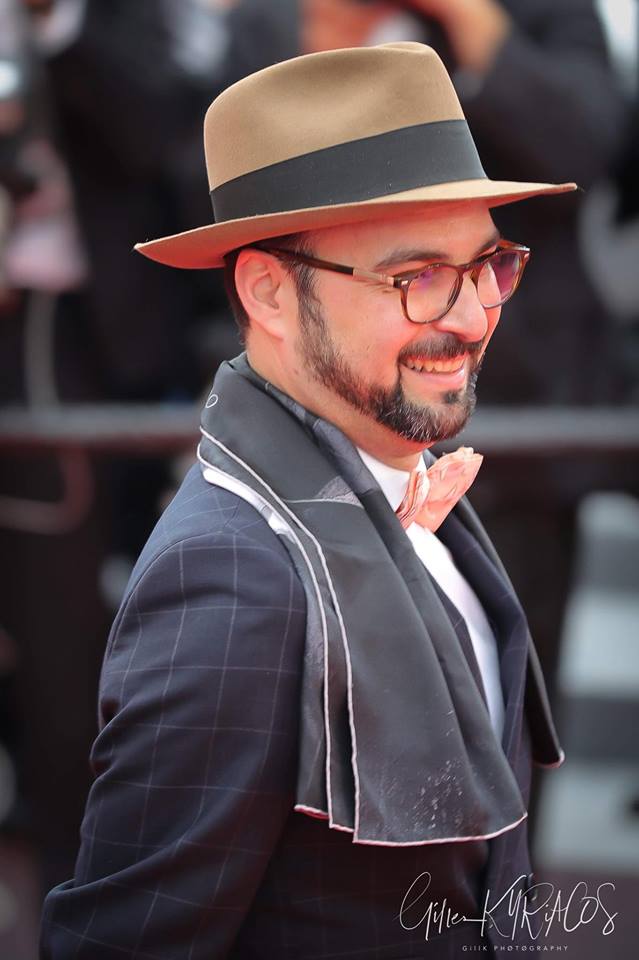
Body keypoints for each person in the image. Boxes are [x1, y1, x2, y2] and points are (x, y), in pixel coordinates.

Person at [40, 42, 574, 957]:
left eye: (488, 265)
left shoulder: (404, 476)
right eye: (415, 278)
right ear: (269, 292)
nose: (470, 316)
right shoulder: (232, 576)